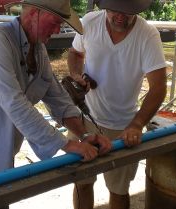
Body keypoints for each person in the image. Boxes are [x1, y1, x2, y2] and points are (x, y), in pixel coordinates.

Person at [0, 0, 112, 208]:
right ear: (34, 13)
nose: (58, 29)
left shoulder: (38, 50)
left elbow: (57, 98)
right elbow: (15, 103)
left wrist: (85, 133)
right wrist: (68, 145)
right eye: (55, 22)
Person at [67, 0, 167, 208]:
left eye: (128, 11)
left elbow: (158, 88)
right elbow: (76, 53)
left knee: (118, 189)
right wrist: (76, 74)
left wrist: (137, 125)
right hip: (84, 119)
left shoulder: (147, 35)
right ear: (103, 5)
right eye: (114, 10)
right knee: (82, 183)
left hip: (122, 125)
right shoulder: (90, 22)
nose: (120, 16)